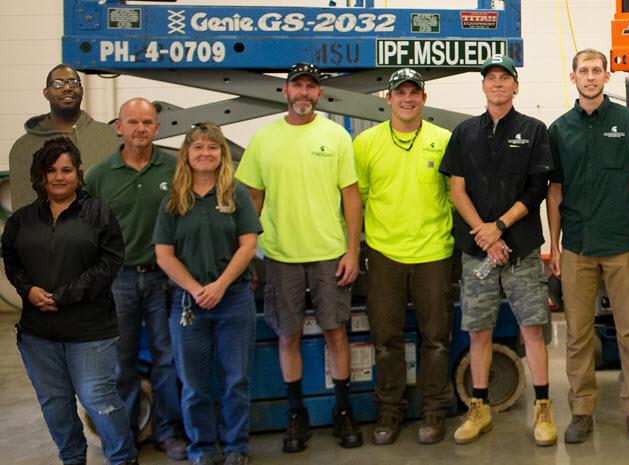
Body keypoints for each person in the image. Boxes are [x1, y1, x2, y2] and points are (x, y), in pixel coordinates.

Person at [235, 63, 363, 452]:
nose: (304, 92)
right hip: (281, 255)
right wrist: (245, 256)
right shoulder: (263, 139)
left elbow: (351, 197)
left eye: (311, 86)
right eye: (297, 86)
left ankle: (343, 411)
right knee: (286, 333)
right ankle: (296, 414)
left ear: (319, 94)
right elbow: (251, 199)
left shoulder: (336, 137)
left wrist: (353, 251)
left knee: (335, 331)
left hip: (329, 253)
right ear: (285, 92)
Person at [548, 48, 629, 444]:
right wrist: (556, 243)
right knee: (578, 335)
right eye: (584, 71)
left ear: (607, 76)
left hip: (622, 244)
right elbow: (555, 190)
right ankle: (581, 412)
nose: (591, 77)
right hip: (578, 244)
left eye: (597, 70)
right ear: (573, 77)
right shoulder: (560, 129)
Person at [440, 55, 556, 446]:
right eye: (491, 78)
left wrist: (500, 227)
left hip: (521, 249)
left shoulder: (534, 130)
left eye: (505, 78)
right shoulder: (464, 132)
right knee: (479, 331)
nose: (498, 83)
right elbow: (456, 189)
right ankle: (480, 408)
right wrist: (484, 235)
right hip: (478, 253)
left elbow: (537, 189)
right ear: (484, 86)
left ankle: (542, 408)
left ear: (516, 86)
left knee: (533, 330)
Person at [2, 138, 138, 465]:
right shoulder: (22, 220)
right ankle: (72, 460)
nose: (59, 177)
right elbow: (12, 260)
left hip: (90, 331)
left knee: (98, 399)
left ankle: (123, 458)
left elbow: (109, 263)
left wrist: (63, 297)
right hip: (38, 335)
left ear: (78, 173)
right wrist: (28, 290)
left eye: (66, 170)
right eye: (51, 170)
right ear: (40, 175)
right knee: (55, 404)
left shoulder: (98, 213)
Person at [351, 68, 454, 446]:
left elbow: (454, 195)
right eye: (400, 93)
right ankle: (389, 410)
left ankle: (433, 410)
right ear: (388, 99)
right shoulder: (365, 143)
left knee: (436, 340)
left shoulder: (443, 141)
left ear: (423, 99)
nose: (407, 99)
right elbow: (355, 201)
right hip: (384, 255)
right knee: (386, 339)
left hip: (433, 254)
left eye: (414, 92)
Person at [85, 97, 188, 459]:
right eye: (133, 122)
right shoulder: (99, 175)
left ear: (157, 128)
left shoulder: (174, 168)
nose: (140, 129)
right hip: (119, 283)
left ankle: (167, 431)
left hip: (165, 279)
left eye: (147, 122)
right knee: (121, 362)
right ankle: (125, 435)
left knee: (167, 358)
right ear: (119, 127)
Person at [155, 122, 261, 465]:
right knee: (194, 383)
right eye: (198, 147)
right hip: (189, 303)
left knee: (236, 379)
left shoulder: (236, 194)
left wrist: (220, 286)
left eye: (212, 147)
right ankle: (201, 448)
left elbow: (248, 245)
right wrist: (196, 289)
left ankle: (235, 447)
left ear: (222, 154)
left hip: (233, 300)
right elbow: (164, 254)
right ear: (187, 153)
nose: (205, 153)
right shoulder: (174, 198)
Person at [9, 64, 118, 210]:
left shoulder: (107, 135)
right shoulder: (24, 146)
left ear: (82, 90)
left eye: (73, 83)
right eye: (58, 84)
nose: (67, 88)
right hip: (46, 230)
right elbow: (21, 209)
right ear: (46, 93)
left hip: (102, 229)